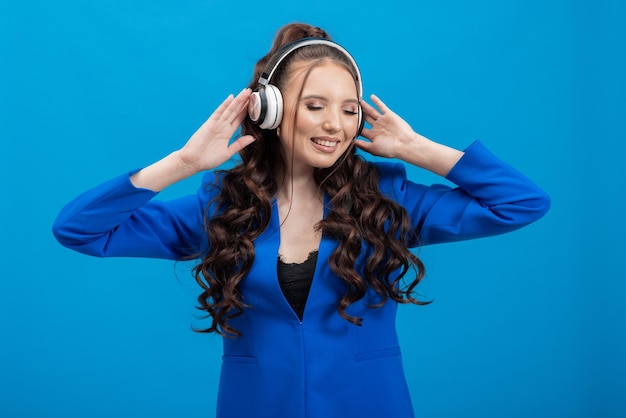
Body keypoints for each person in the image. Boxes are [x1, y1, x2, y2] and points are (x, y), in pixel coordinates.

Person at [53, 23, 550, 418]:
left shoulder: (388, 200)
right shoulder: (222, 208)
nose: (336, 123)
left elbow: (522, 203)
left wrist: (417, 149)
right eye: (316, 106)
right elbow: (79, 228)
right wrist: (183, 163)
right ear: (270, 111)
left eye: (349, 109)